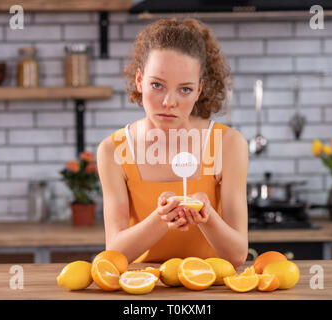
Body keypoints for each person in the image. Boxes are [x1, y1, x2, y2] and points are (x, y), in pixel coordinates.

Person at [97, 18, 248, 268]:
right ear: (139, 81)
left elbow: (237, 254)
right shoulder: (113, 150)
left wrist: (207, 218)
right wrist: (160, 219)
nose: (169, 102)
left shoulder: (229, 145)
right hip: (145, 289)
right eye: (157, 85)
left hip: (209, 288)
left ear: (199, 91)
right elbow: (115, 252)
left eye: (185, 90)